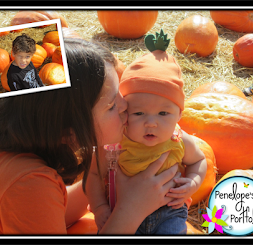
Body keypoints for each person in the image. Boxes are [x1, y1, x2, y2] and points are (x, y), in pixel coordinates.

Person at [0, 38, 179, 234]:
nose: (126, 105)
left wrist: (107, 185)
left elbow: (47, 212)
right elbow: (34, 198)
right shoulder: (28, 185)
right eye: (112, 105)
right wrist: (132, 209)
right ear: (68, 132)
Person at [86, 42, 207, 234]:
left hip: (169, 213)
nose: (151, 123)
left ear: (179, 115)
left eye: (163, 113)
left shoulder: (178, 139)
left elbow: (199, 160)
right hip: (121, 213)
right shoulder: (114, 143)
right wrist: (100, 206)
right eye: (139, 113)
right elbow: (92, 175)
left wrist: (193, 182)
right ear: (124, 111)